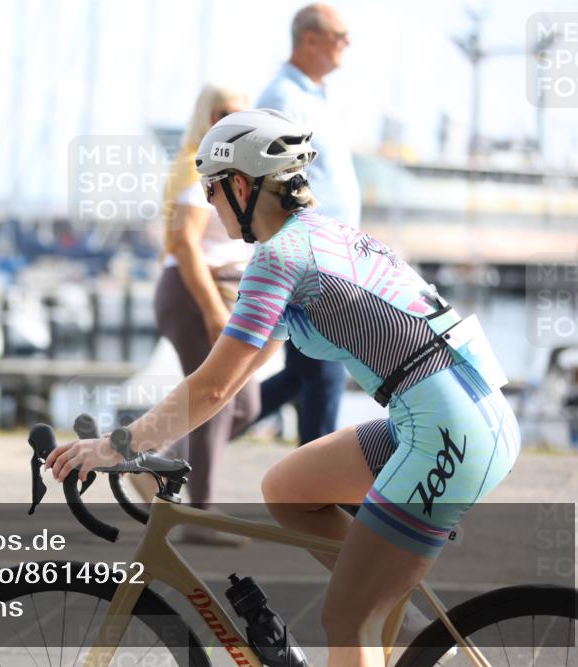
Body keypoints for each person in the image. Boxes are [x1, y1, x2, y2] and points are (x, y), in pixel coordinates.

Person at [47, 110, 520, 665]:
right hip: (463, 415)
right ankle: (404, 618)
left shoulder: (278, 259)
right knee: (289, 488)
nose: (209, 203)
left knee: (346, 618)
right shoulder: (327, 235)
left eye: (212, 189)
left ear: (242, 186)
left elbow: (214, 389)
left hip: (446, 434)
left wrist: (114, 446)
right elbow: (238, 367)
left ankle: (377, 611)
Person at [129, 84, 259, 544]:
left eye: (240, 115)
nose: (230, 123)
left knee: (244, 404)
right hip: (194, 293)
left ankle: (155, 469)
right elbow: (185, 243)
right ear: (204, 116)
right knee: (219, 400)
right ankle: (200, 512)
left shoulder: (224, 165)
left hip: (217, 293)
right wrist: (211, 310)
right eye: (222, 113)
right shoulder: (195, 164)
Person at [251, 3, 361, 445]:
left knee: (302, 376)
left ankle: (187, 446)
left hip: (332, 252)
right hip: (311, 257)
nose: (348, 44)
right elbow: (272, 183)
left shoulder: (317, 96)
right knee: (324, 376)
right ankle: (317, 494)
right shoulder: (284, 98)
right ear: (310, 39)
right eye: (340, 35)